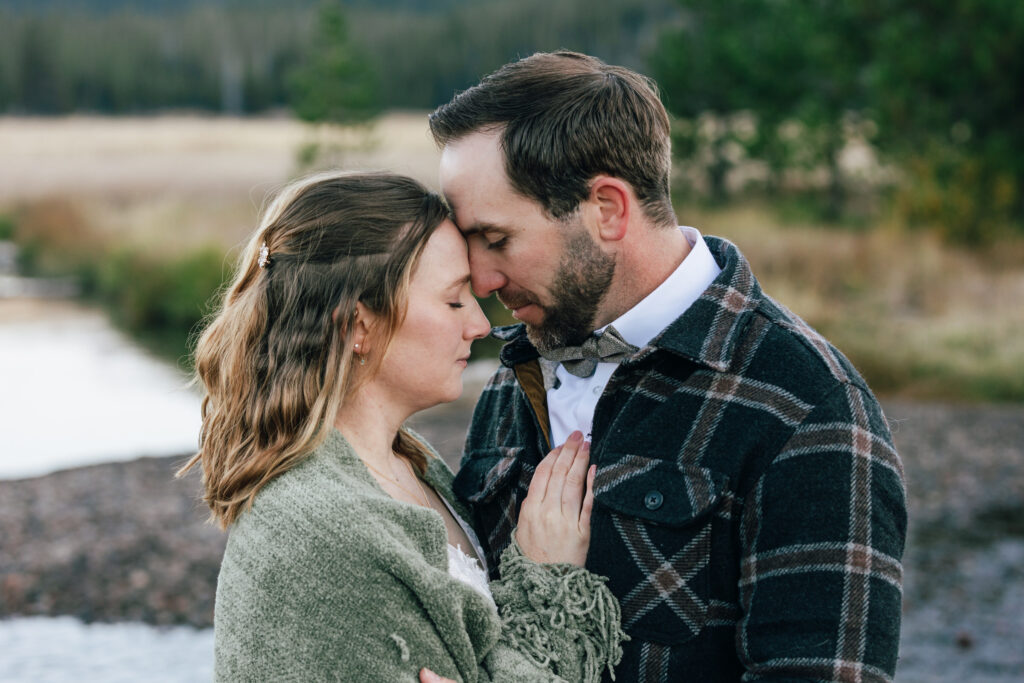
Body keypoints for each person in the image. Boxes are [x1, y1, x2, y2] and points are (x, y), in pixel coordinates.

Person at [431, 51, 907, 682]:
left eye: (498, 240)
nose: (484, 280)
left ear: (607, 209)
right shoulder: (513, 377)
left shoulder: (808, 407)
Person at [178, 171, 626, 682]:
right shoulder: (323, 531)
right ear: (358, 326)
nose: (480, 325)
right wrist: (548, 576)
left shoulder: (411, 464)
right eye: (453, 299)